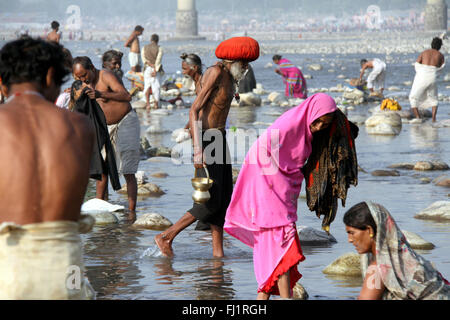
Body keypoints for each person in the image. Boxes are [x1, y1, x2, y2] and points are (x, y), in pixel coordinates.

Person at [224, 93, 358, 300]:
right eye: (319, 120)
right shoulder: (288, 126)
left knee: (273, 247)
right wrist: (276, 183)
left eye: (326, 123)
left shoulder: (305, 130)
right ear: (311, 113)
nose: (321, 126)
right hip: (268, 189)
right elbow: (260, 153)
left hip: (282, 192)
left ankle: (263, 298)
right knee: (282, 244)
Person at [0, 37, 95, 299]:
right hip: (68, 270)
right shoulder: (81, 127)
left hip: (9, 269)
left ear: (3, 81)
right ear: (52, 75)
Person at [154, 37, 260, 258]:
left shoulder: (231, 77)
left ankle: (217, 253)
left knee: (223, 198)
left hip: (219, 138)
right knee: (208, 199)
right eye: (244, 62)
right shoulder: (215, 72)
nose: (247, 66)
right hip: (206, 139)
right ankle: (166, 236)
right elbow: (194, 111)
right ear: (232, 59)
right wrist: (197, 149)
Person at [73, 56, 140, 213]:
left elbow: (126, 96)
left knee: (127, 169)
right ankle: (100, 207)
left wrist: (101, 94)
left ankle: (132, 212)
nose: (82, 79)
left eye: (84, 75)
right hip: (103, 126)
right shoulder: (84, 83)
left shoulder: (106, 76)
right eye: (78, 77)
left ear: (91, 67)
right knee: (101, 165)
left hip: (125, 121)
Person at [343, 201, 450, 300]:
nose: (349, 240)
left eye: (352, 233)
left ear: (370, 230)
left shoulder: (378, 269)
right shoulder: (407, 258)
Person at [409, 37, 445, 122]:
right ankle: (433, 118)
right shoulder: (440, 55)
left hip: (422, 76)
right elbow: (441, 67)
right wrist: (434, 72)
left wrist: (422, 70)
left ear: (431, 44)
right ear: (440, 46)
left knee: (413, 98)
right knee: (434, 99)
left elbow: (417, 64)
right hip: (432, 77)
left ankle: (418, 118)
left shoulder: (424, 52)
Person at [141, 33, 164, 111]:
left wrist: (149, 64)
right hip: (155, 69)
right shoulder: (159, 48)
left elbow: (143, 59)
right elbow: (158, 60)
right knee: (156, 87)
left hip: (147, 69)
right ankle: (156, 104)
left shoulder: (144, 47)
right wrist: (155, 69)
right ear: (157, 40)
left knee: (147, 86)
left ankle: (148, 104)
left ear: (150, 40)